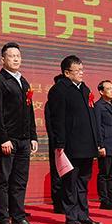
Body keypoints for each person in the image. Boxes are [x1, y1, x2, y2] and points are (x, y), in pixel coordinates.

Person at [0, 43, 41, 224]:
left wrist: (33, 136)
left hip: (24, 139)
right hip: (8, 140)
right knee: (3, 180)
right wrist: (3, 138)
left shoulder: (23, 82)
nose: (16, 59)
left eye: (18, 55)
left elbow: (30, 110)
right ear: (3, 59)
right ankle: (3, 220)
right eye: (11, 56)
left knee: (19, 180)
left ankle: (19, 217)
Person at [49, 55, 104, 224]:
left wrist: (97, 141)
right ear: (67, 73)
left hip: (87, 144)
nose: (81, 73)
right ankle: (72, 216)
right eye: (77, 70)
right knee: (70, 182)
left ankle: (83, 215)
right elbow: (57, 119)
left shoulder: (85, 89)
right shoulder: (59, 90)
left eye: (82, 69)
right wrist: (60, 143)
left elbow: (92, 118)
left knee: (83, 182)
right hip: (70, 144)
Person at [94, 80, 112, 210]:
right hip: (105, 144)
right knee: (104, 173)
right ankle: (104, 201)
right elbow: (97, 127)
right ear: (101, 92)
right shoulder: (98, 106)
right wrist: (100, 145)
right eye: (108, 89)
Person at [43, 74, 64, 214]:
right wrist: (56, 142)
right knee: (57, 173)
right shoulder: (50, 103)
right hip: (56, 144)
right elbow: (50, 126)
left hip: (70, 144)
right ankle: (58, 203)